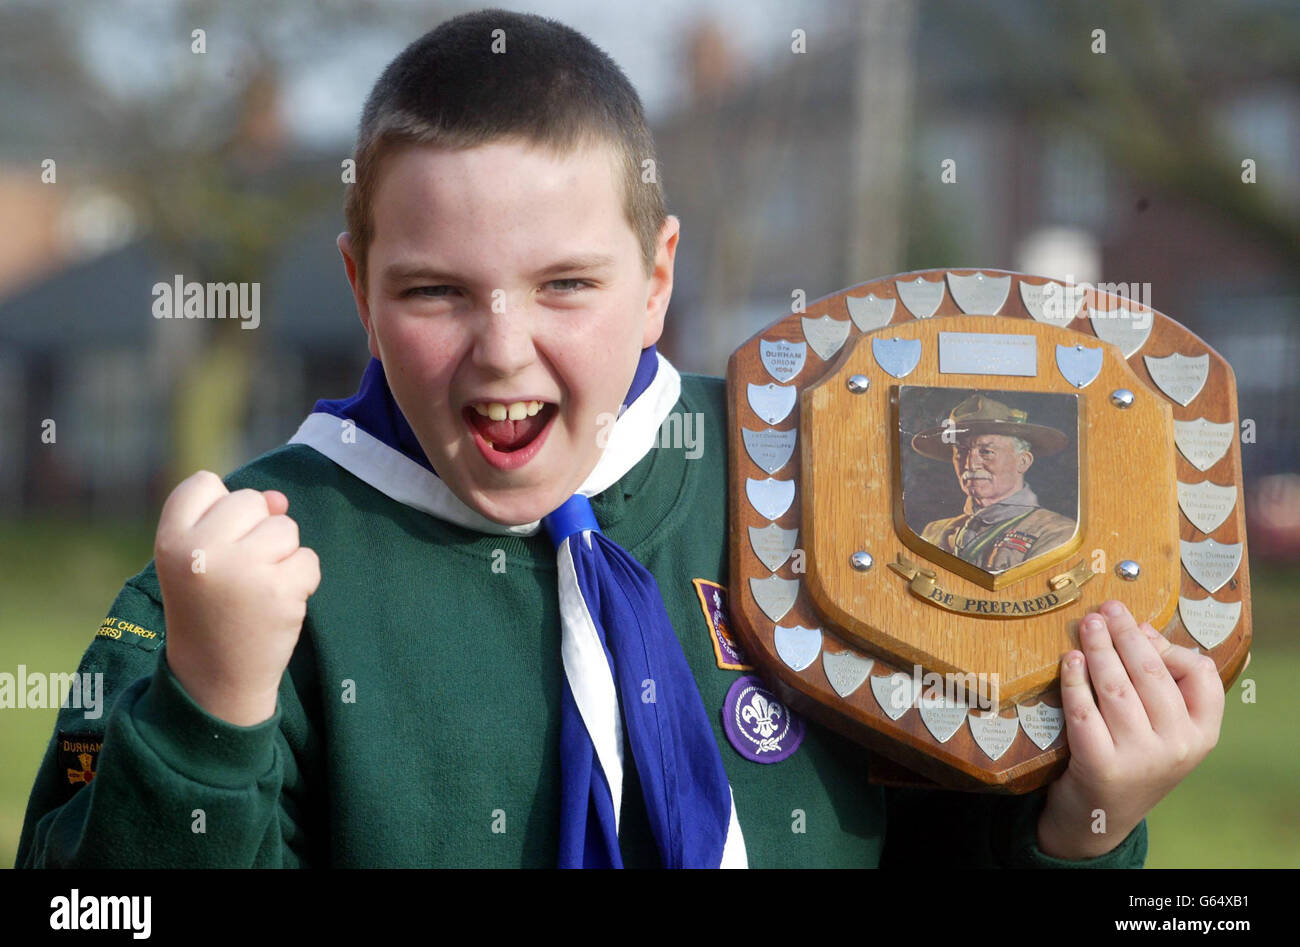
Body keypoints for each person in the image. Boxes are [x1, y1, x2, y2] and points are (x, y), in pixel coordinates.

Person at [16, 9, 1223, 869]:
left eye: (567, 285)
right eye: (436, 291)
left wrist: (1083, 824)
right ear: (357, 282)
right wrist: (209, 712)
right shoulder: (235, 576)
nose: (502, 348)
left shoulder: (834, 484)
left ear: (657, 281)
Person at [915, 394, 1077, 573]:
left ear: (1023, 461)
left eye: (986, 451)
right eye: (961, 452)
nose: (970, 464)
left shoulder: (1057, 533)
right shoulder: (934, 532)